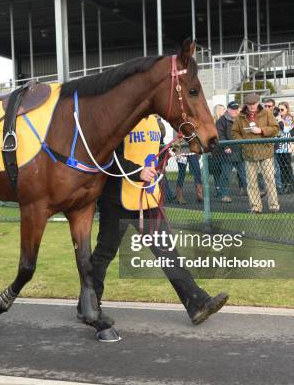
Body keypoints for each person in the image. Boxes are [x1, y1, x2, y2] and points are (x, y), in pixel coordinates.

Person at [82, 114, 228, 341]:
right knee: (104, 255)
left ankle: (196, 302)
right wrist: (137, 171)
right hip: (116, 200)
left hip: (148, 199)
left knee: (168, 254)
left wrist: (168, 153)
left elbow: (151, 155)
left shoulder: (154, 123)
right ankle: (87, 305)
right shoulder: (122, 118)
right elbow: (108, 158)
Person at [232, 93, 280, 213]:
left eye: (254, 104)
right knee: (251, 181)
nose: (252, 106)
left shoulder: (267, 113)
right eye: (249, 105)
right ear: (246, 105)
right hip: (249, 153)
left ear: (258, 103)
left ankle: (274, 205)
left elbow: (275, 129)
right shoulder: (240, 117)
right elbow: (235, 132)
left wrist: (261, 130)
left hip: (265, 151)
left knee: (269, 179)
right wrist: (242, 143)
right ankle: (255, 207)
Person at [216, 101, 247, 203]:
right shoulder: (221, 121)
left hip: (240, 151)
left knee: (245, 174)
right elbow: (220, 135)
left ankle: (253, 192)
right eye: (233, 109)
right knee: (225, 174)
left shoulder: (241, 119)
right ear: (228, 109)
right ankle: (224, 194)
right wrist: (225, 146)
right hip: (227, 153)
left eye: (236, 109)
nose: (235, 111)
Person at [275, 102, 294, 194]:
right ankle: (282, 184)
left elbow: (286, 130)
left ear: (287, 109)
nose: (280, 111)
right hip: (279, 146)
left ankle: (288, 184)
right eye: (278, 110)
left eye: (282, 109)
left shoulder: (289, 118)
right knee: (280, 166)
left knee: (286, 165)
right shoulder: (277, 118)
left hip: (286, 146)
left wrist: (280, 120)